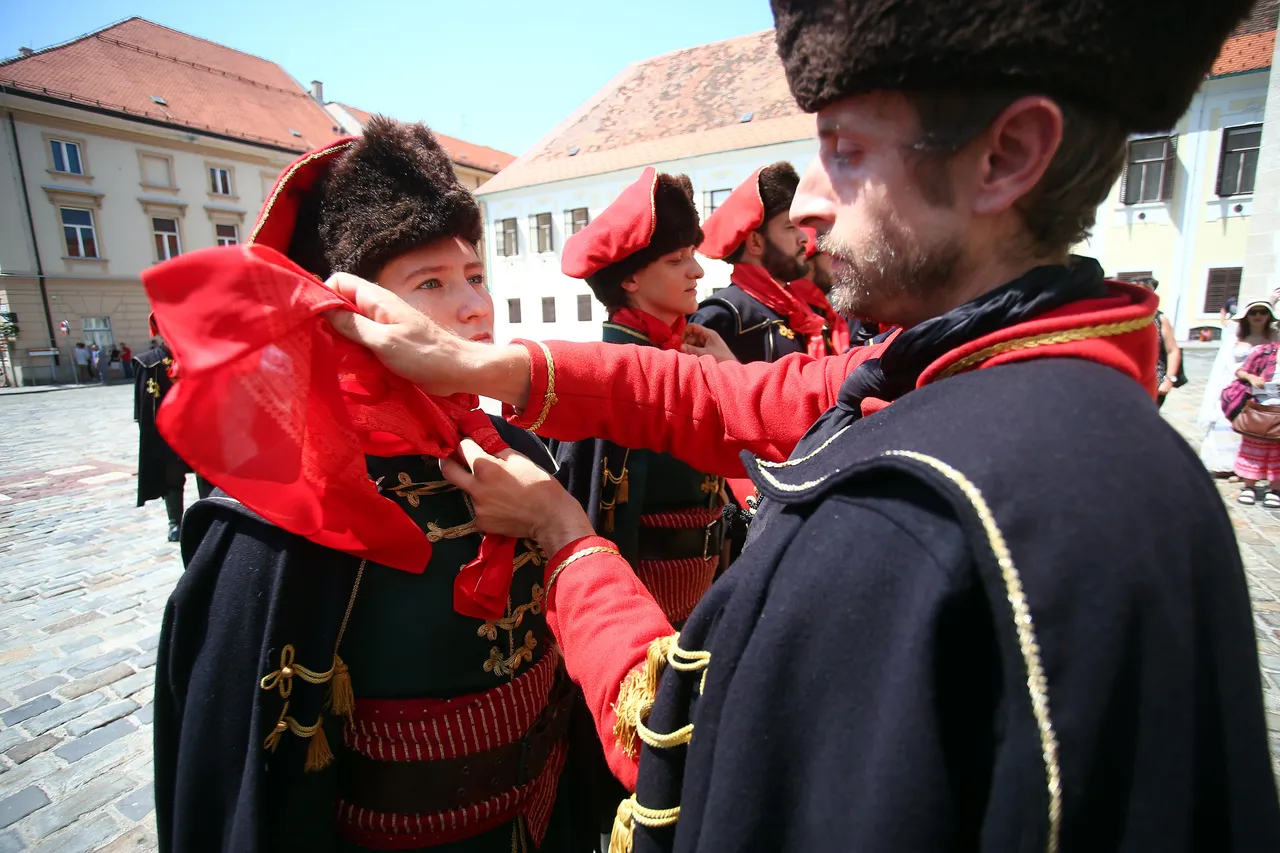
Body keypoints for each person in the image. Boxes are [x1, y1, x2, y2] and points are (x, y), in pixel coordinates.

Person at [325, 0, 1280, 849]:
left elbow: (700, 758)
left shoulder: (915, 515)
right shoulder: (1030, 388)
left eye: (848, 151)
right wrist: (476, 365)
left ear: (1008, 156)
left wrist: (564, 539)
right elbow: (719, 399)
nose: (811, 205)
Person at [147, 119, 590, 853]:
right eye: (432, 283)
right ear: (355, 315)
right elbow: (233, 783)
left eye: (475, 275)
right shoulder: (285, 507)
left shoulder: (514, 445)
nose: (476, 306)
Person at [553, 166, 739, 845]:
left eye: (692, 253)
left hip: (701, 620)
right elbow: (600, 526)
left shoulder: (685, 356)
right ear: (630, 279)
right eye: (676, 259)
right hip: (640, 641)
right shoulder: (612, 380)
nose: (697, 270)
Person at [690, 163, 824, 363]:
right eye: (790, 227)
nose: (804, 238)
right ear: (755, 242)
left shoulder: (796, 310)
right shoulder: (720, 317)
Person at [133, 327, 207, 542]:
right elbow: (143, 408)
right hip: (169, 433)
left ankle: (209, 518)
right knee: (172, 477)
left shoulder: (200, 358)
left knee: (207, 476)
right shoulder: (149, 363)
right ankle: (175, 522)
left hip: (199, 430)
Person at [1199, 298, 1280, 475]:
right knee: (1230, 423)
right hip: (1236, 386)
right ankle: (1225, 465)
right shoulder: (1236, 336)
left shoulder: (1274, 336)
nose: (1258, 316)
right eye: (1253, 312)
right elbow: (1226, 363)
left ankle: (1248, 470)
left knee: (1255, 428)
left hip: (1263, 390)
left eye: (1263, 312)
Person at [1225, 300, 1280, 507]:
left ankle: (1275, 489)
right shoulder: (1264, 351)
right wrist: (1250, 377)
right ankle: (1249, 485)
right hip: (1260, 404)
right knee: (1254, 444)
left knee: (1278, 450)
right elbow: (1240, 370)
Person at [788, 226, 851, 353]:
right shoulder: (791, 313)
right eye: (831, 255)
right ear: (809, 263)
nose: (836, 264)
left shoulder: (825, 311)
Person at [1137, 277, 1182, 407]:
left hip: (1154, 380)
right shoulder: (1123, 318)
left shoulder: (1160, 319)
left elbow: (1172, 350)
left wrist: (1169, 380)